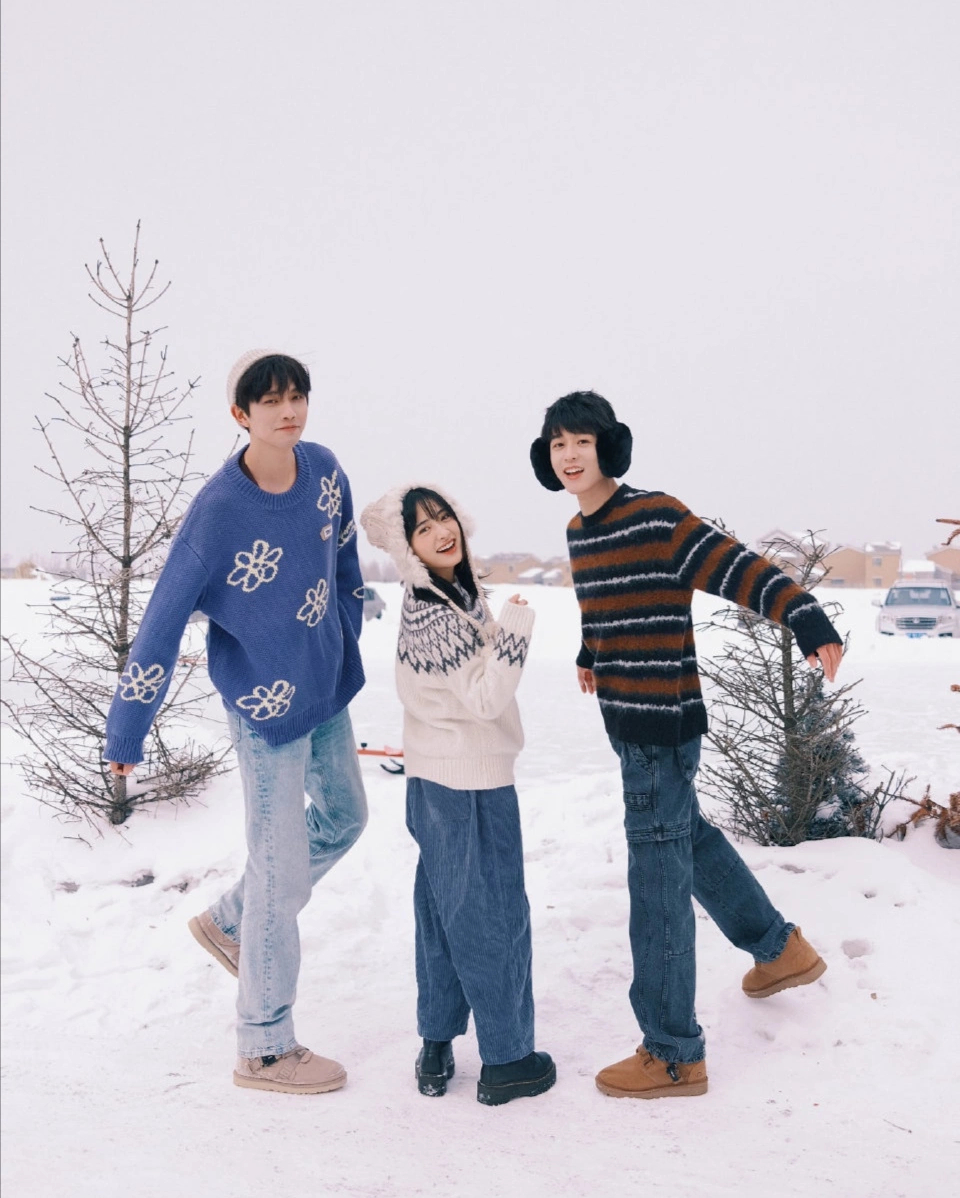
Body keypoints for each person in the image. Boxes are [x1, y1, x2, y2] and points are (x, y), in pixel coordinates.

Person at [530, 390, 843, 1101]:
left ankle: (673, 1052)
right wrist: (590, 651)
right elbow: (606, 603)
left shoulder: (657, 517)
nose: (570, 455)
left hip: (662, 727)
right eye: (558, 444)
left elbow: (736, 567)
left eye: (582, 441)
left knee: (657, 885)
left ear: (609, 447)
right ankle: (779, 949)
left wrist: (803, 613)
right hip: (626, 721)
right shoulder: (580, 531)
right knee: (686, 838)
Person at [105, 349, 368, 1095]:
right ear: (240, 414)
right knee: (279, 866)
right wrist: (127, 729)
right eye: (272, 400)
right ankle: (264, 1044)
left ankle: (231, 921)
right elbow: (162, 621)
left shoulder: (325, 470)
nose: (288, 411)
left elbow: (344, 560)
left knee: (346, 817)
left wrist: (345, 630)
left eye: (298, 396)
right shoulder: (219, 510)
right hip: (262, 707)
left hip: (325, 686)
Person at [360, 484, 556, 1106]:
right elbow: (485, 698)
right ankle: (507, 1059)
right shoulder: (436, 614)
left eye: (444, 518)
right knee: (492, 914)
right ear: (408, 550)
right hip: (467, 780)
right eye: (423, 529)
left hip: (440, 777)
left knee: (444, 914)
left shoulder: (450, 596)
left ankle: (436, 1044)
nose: (441, 532)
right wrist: (516, 628)